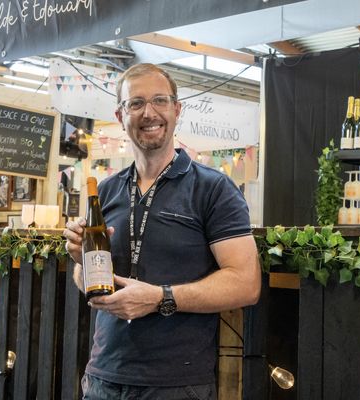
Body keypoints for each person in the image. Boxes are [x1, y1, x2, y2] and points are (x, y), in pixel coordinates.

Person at [63, 63, 261, 400]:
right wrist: (82, 259)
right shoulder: (106, 190)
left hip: (177, 385)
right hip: (103, 379)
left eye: (160, 101)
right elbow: (86, 280)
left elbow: (246, 284)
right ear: (120, 114)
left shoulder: (214, 188)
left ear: (176, 109)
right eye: (136, 103)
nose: (149, 112)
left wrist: (160, 298)